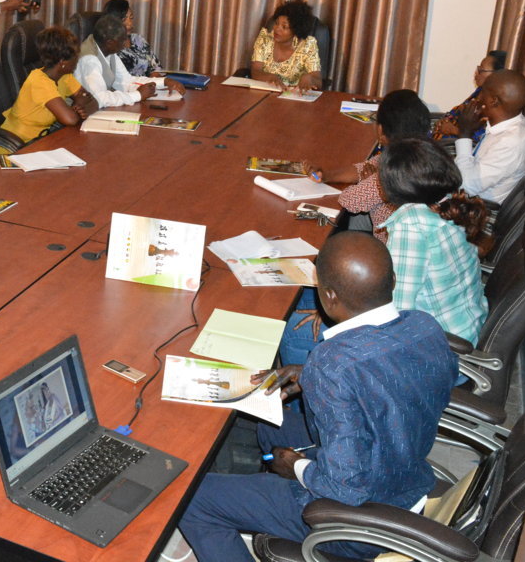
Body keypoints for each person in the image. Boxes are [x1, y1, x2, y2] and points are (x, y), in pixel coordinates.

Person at [180, 232, 457, 562]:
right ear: (392, 280)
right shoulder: (424, 325)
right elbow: (391, 382)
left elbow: (344, 488)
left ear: (327, 296)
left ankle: (255, 509)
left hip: (354, 520)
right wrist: (308, 374)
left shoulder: (334, 363)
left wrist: (295, 466)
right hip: (405, 475)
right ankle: (256, 505)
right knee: (270, 425)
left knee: (192, 499)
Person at [380, 138, 489, 343]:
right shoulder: (449, 204)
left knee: (306, 324)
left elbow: (396, 313)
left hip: (439, 350)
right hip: (466, 327)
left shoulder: (412, 226)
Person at [308, 89, 431, 241]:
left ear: (381, 131)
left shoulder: (391, 172)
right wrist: (327, 175)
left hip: (390, 250)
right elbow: (364, 167)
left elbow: (348, 200)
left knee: (337, 230)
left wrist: (371, 180)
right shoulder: (421, 155)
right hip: (420, 239)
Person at [0, 25, 93, 145]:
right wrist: (77, 107)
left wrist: (77, 106)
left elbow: (87, 96)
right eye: (75, 56)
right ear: (62, 62)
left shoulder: (63, 75)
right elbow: (71, 119)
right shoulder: (39, 82)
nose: (77, 59)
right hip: (16, 146)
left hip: (41, 141)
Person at [451, 68, 525, 204]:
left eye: (482, 91)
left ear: (493, 101)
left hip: (472, 211)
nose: (478, 96)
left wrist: (464, 134)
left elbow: (464, 187)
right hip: (467, 193)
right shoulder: (510, 125)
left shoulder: (510, 143)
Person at [76, 14, 184, 108]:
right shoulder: (89, 59)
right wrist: (138, 95)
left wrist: (163, 82)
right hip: (81, 118)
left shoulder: (106, 49)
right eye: (122, 40)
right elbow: (99, 99)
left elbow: (126, 81)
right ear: (110, 42)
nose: (125, 43)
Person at [431, 50, 507, 147]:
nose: (476, 73)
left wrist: (454, 130)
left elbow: (482, 141)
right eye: (478, 68)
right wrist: (444, 121)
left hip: (451, 148)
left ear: (497, 75)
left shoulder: (494, 105)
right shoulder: (480, 91)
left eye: (481, 70)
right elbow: (457, 113)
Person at [249, 0, 322, 90]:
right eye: (276, 23)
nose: (277, 29)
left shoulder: (307, 45)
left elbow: (318, 81)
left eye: (284, 27)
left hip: (294, 98)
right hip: (265, 94)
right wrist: (270, 77)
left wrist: (310, 78)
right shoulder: (265, 39)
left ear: (296, 30)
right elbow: (256, 71)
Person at [101, 0, 163, 76]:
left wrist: (155, 81)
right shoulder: (107, 47)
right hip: (128, 87)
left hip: (150, 85)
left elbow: (156, 67)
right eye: (124, 19)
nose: (129, 24)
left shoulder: (138, 40)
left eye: (131, 18)